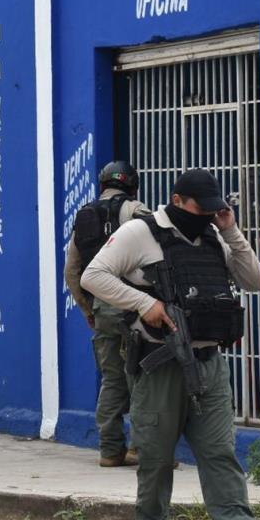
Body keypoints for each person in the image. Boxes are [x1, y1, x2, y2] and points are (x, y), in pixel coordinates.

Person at [81, 168, 260, 520]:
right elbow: (93, 275)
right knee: (156, 459)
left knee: (220, 456)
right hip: (160, 364)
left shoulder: (214, 234)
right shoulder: (140, 233)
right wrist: (144, 303)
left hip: (209, 365)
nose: (210, 215)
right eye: (203, 209)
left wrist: (231, 231)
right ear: (177, 201)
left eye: (216, 210)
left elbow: (255, 280)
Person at [64, 160, 148, 467]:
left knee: (112, 379)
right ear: (133, 184)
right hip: (136, 307)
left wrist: (90, 309)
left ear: (102, 184)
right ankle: (142, 448)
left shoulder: (84, 215)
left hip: (102, 310)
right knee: (143, 376)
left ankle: (111, 450)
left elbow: (72, 271)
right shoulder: (136, 211)